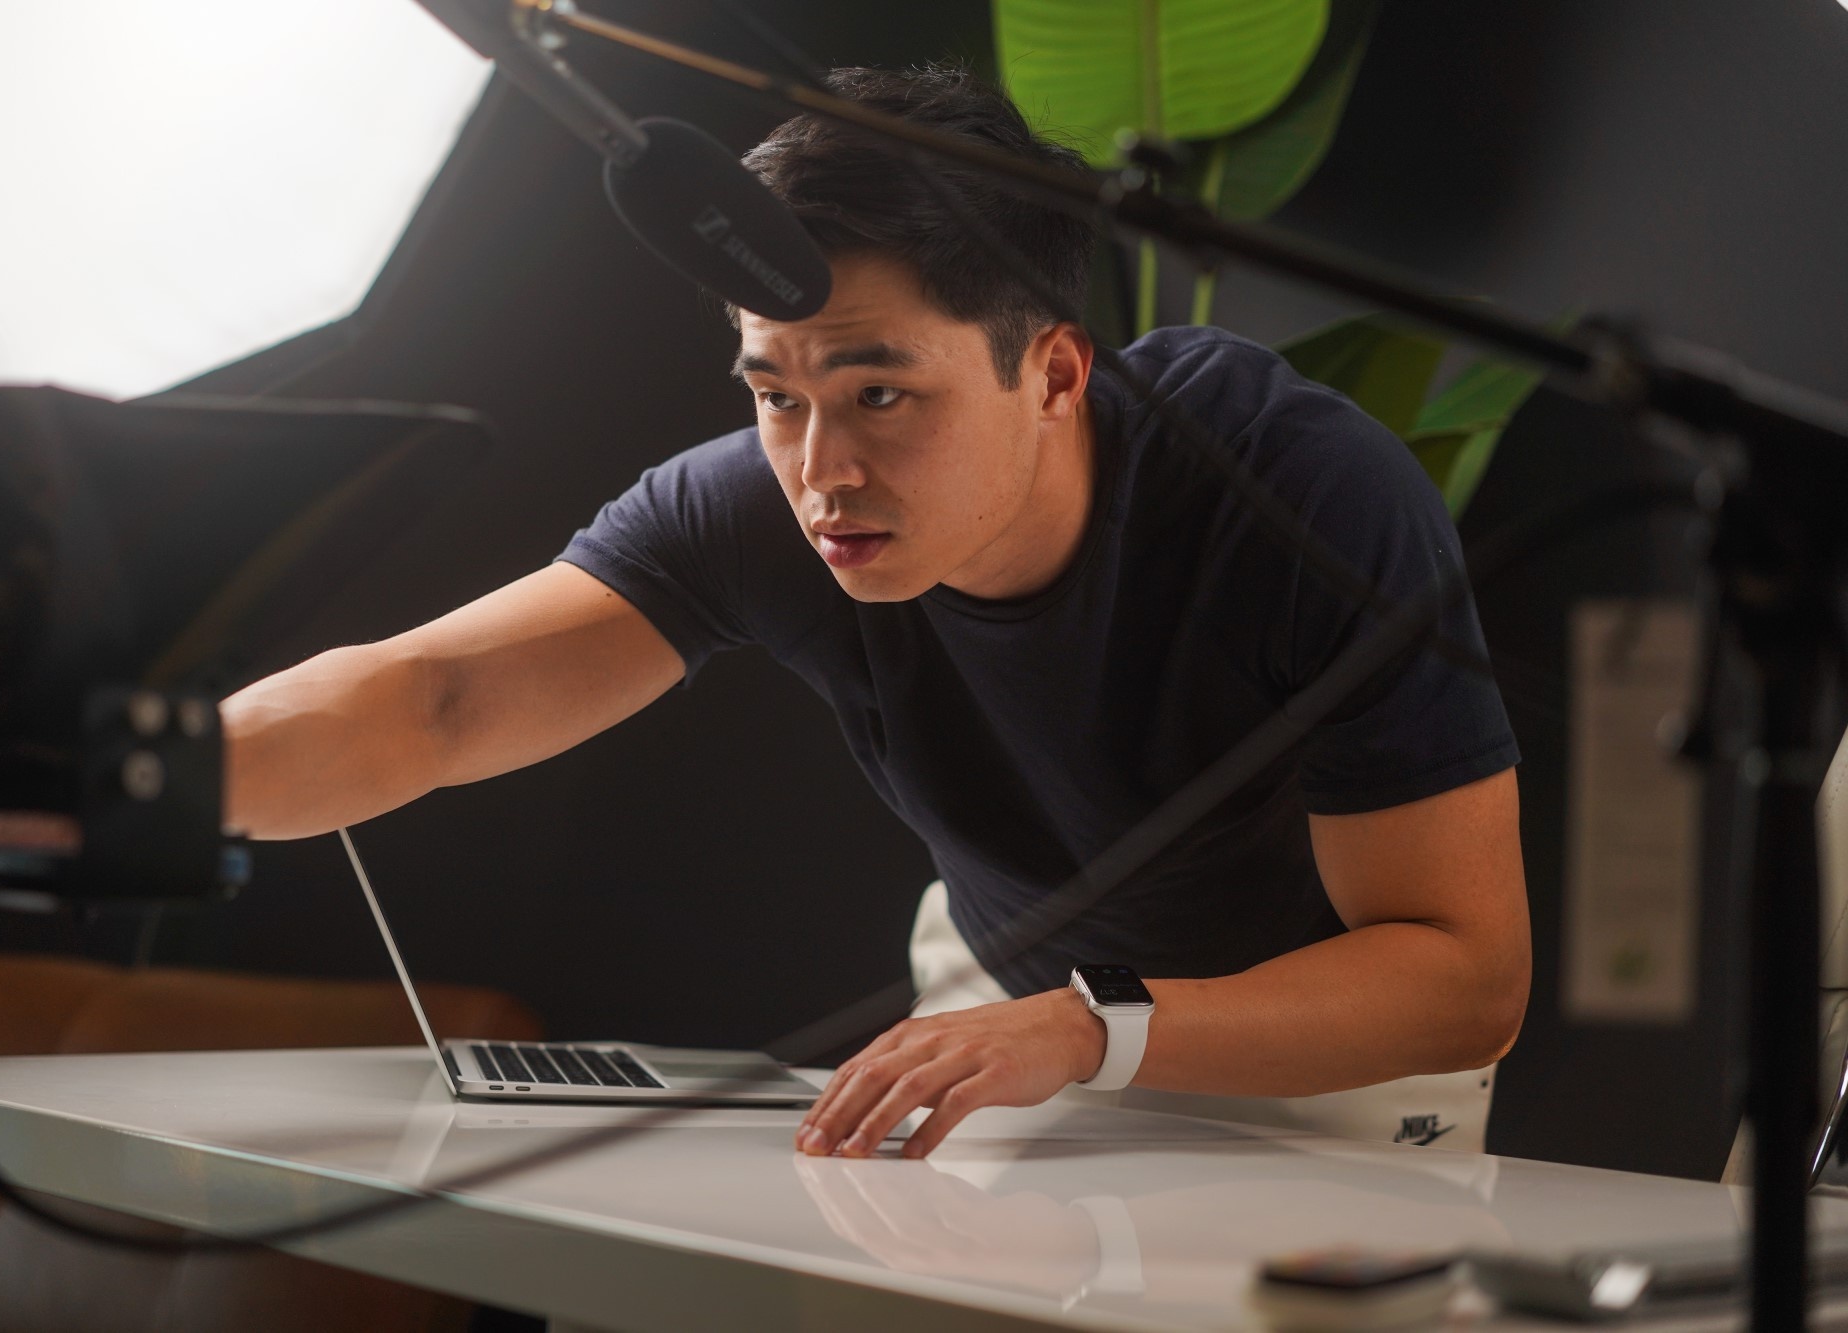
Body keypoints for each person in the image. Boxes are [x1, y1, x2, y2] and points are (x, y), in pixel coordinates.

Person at [221, 66, 1530, 1160]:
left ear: (1054, 372)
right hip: (1010, 1011)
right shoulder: (763, 502)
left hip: (1326, 1060)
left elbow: (1464, 977)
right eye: (775, 395)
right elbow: (433, 698)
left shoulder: (1298, 493)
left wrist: (1097, 1026)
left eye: (881, 395)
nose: (821, 471)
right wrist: (142, 776)